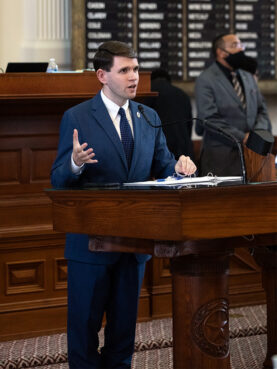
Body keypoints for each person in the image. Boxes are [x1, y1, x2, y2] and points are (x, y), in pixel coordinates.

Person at [51, 41, 196, 369]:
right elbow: (59, 180)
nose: (135, 77)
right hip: (91, 244)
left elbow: (163, 165)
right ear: (102, 75)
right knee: (84, 336)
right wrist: (74, 163)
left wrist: (179, 168)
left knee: (122, 338)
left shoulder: (148, 116)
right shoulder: (77, 117)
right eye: (125, 71)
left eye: (136, 69)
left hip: (134, 244)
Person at [195, 33, 272, 176]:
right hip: (221, 159)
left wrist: (257, 136)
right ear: (221, 52)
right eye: (235, 45)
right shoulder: (205, 79)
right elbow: (209, 118)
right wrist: (242, 137)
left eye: (241, 44)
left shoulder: (248, 76)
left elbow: (261, 110)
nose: (241, 49)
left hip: (253, 157)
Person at [147, 68, 194, 160]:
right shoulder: (182, 94)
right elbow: (189, 125)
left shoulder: (148, 94)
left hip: (158, 152)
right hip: (183, 150)